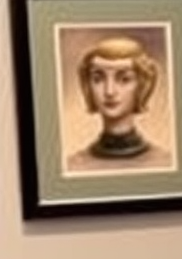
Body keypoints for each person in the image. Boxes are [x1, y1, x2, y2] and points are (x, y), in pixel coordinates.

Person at [66, 36, 173, 170]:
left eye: (124, 79)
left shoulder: (165, 163)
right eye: (98, 79)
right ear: (87, 85)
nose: (109, 91)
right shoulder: (73, 166)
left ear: (142, 86)